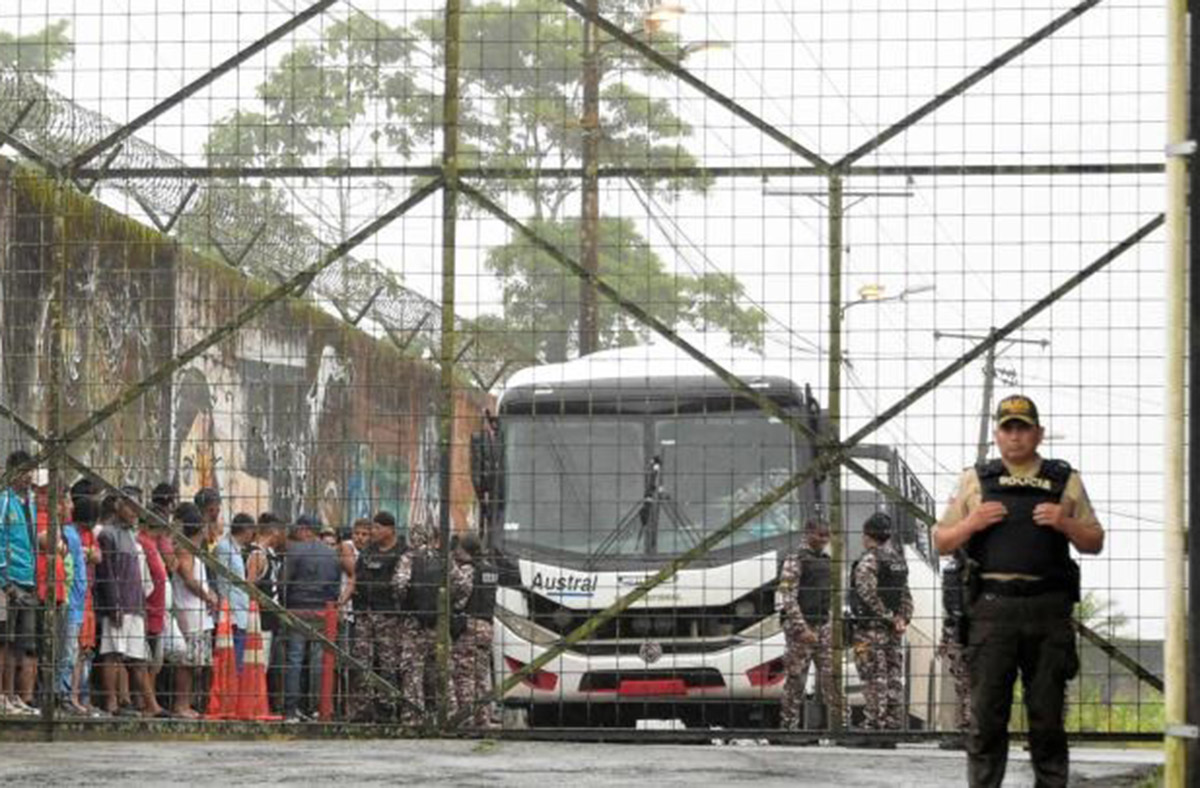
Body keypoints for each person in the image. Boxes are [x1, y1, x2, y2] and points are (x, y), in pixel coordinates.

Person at [934, 394, 1104, 788]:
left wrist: (1065, 523)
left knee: (1046, 718)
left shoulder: (1064, 480)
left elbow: (1094, 541)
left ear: (1038, 433)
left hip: (1048, 611)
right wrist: (971, 522)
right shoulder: (975, 480)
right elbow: (942, 541)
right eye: (1007, 428)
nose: (1015, 436)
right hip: (992, 611)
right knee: (986, 718)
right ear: (996, 434)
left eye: (1023, 427)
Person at [392, 520, 468, 726]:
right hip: (440, 623)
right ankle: (451, 717)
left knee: (412, 673)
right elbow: (463, 585)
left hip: (414, 623)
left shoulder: (408, 558)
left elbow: (400, 585)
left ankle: (413, 718)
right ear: (433, 537)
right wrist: (448, 604)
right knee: (444, 671)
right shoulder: (445, 559)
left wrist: (405, 603)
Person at [776, 519, 845, 730]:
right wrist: (801, 628)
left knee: (832, 678)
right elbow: (788, 597)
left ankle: (842, 726)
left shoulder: (826, 560)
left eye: (827, 535)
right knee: (796, 680)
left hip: (823, 625)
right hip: (802, 627)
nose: (824, 539)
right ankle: (788, 727)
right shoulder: (795, 559)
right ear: (808, 534)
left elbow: (832, 596)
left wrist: (830, 624)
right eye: (820, 535)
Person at [849, 511, 912, 738]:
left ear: (867, 535)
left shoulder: (868, 560)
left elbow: (866, 593)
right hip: (893, 631)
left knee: (872, 675)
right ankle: (893, 724)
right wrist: (902, 619)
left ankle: (874, 725)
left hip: (871, 629)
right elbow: (905, 594)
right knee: (894, 676)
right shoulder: (897, 560)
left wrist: (888, 617)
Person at [95, 486, 152, 717]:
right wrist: (113, 605)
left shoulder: (130, 534)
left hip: (134, 603)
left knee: (135, 655)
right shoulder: (108, 534)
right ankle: (111, 702)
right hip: (119, 603)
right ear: (118, 505)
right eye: (130, 506)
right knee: (112, 653)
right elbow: (107, 573)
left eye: (137, 508)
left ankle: (137, 702)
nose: (134, 512)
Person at [281, 514, 340, 722]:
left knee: (294, 659)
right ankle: (317, 708)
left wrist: (285, 606)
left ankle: (291, 709)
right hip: (322, 611)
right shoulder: (332, 554)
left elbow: (284, 582)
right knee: (318, 659)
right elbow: (335, 586)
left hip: (297, 609)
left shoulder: (294, 551)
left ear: (305, 529)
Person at [348, 511, 405, 722]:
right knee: (362, 661)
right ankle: (362, 709)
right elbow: (356, 576)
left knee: (388, 663)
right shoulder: (369, 552)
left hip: (389, 616)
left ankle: (387, 708)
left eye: (377, 528)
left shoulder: (402, 552)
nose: (374, 532)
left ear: (390, 529)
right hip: (364, 613)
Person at [0, 450, 41, 716]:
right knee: (4, 640)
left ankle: (13, 695)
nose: (28, 477)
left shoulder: (30, 504)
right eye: (25, 471)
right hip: (9, 579)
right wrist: (5, 581)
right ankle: (2, 695)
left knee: (20, 643)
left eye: (31, 472)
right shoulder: (4, 501)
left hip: (27, 579)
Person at [170, 502, 216, 719]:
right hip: (190, 611)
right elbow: (188, 577)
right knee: (186, 663)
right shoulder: (185, 549)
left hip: (197, 611)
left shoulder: (191, 549)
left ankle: (186, 703)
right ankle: (181, 705)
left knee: (194, 663)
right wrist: (207, 596)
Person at [450, 532, 498, 728]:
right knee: (481, 675)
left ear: (464, 549)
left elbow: (462, 597)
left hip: (470, 624)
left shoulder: (469, 570)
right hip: (487, 625)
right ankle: (483, 718)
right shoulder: (490, 569)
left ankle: (466, 718)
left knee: (464, 673)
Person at [247, 512, 286, 711]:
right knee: (259, 664)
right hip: (261, 620)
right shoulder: (257, 555)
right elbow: (250, 587)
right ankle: (255, 705)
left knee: (266, 664)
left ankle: (260, 704)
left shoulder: (267, 553)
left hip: (269, 619)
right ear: (275, 531)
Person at [937, 552, 971, 748]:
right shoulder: (988, 561)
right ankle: (970, 727)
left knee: (966, 682)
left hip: (963, 631)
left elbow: (951, 609)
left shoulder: (952, 569)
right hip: (980, 628)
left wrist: (946, 635)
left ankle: (969, 729)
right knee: (968, 681)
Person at [214, 513, 254, 671]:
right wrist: (226, 607)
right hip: (232, 612)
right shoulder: (225, 548)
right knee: (233, 660)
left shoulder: (237, 550)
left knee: (239, 659)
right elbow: (221, 581)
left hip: (240, 611)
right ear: (245, 530)